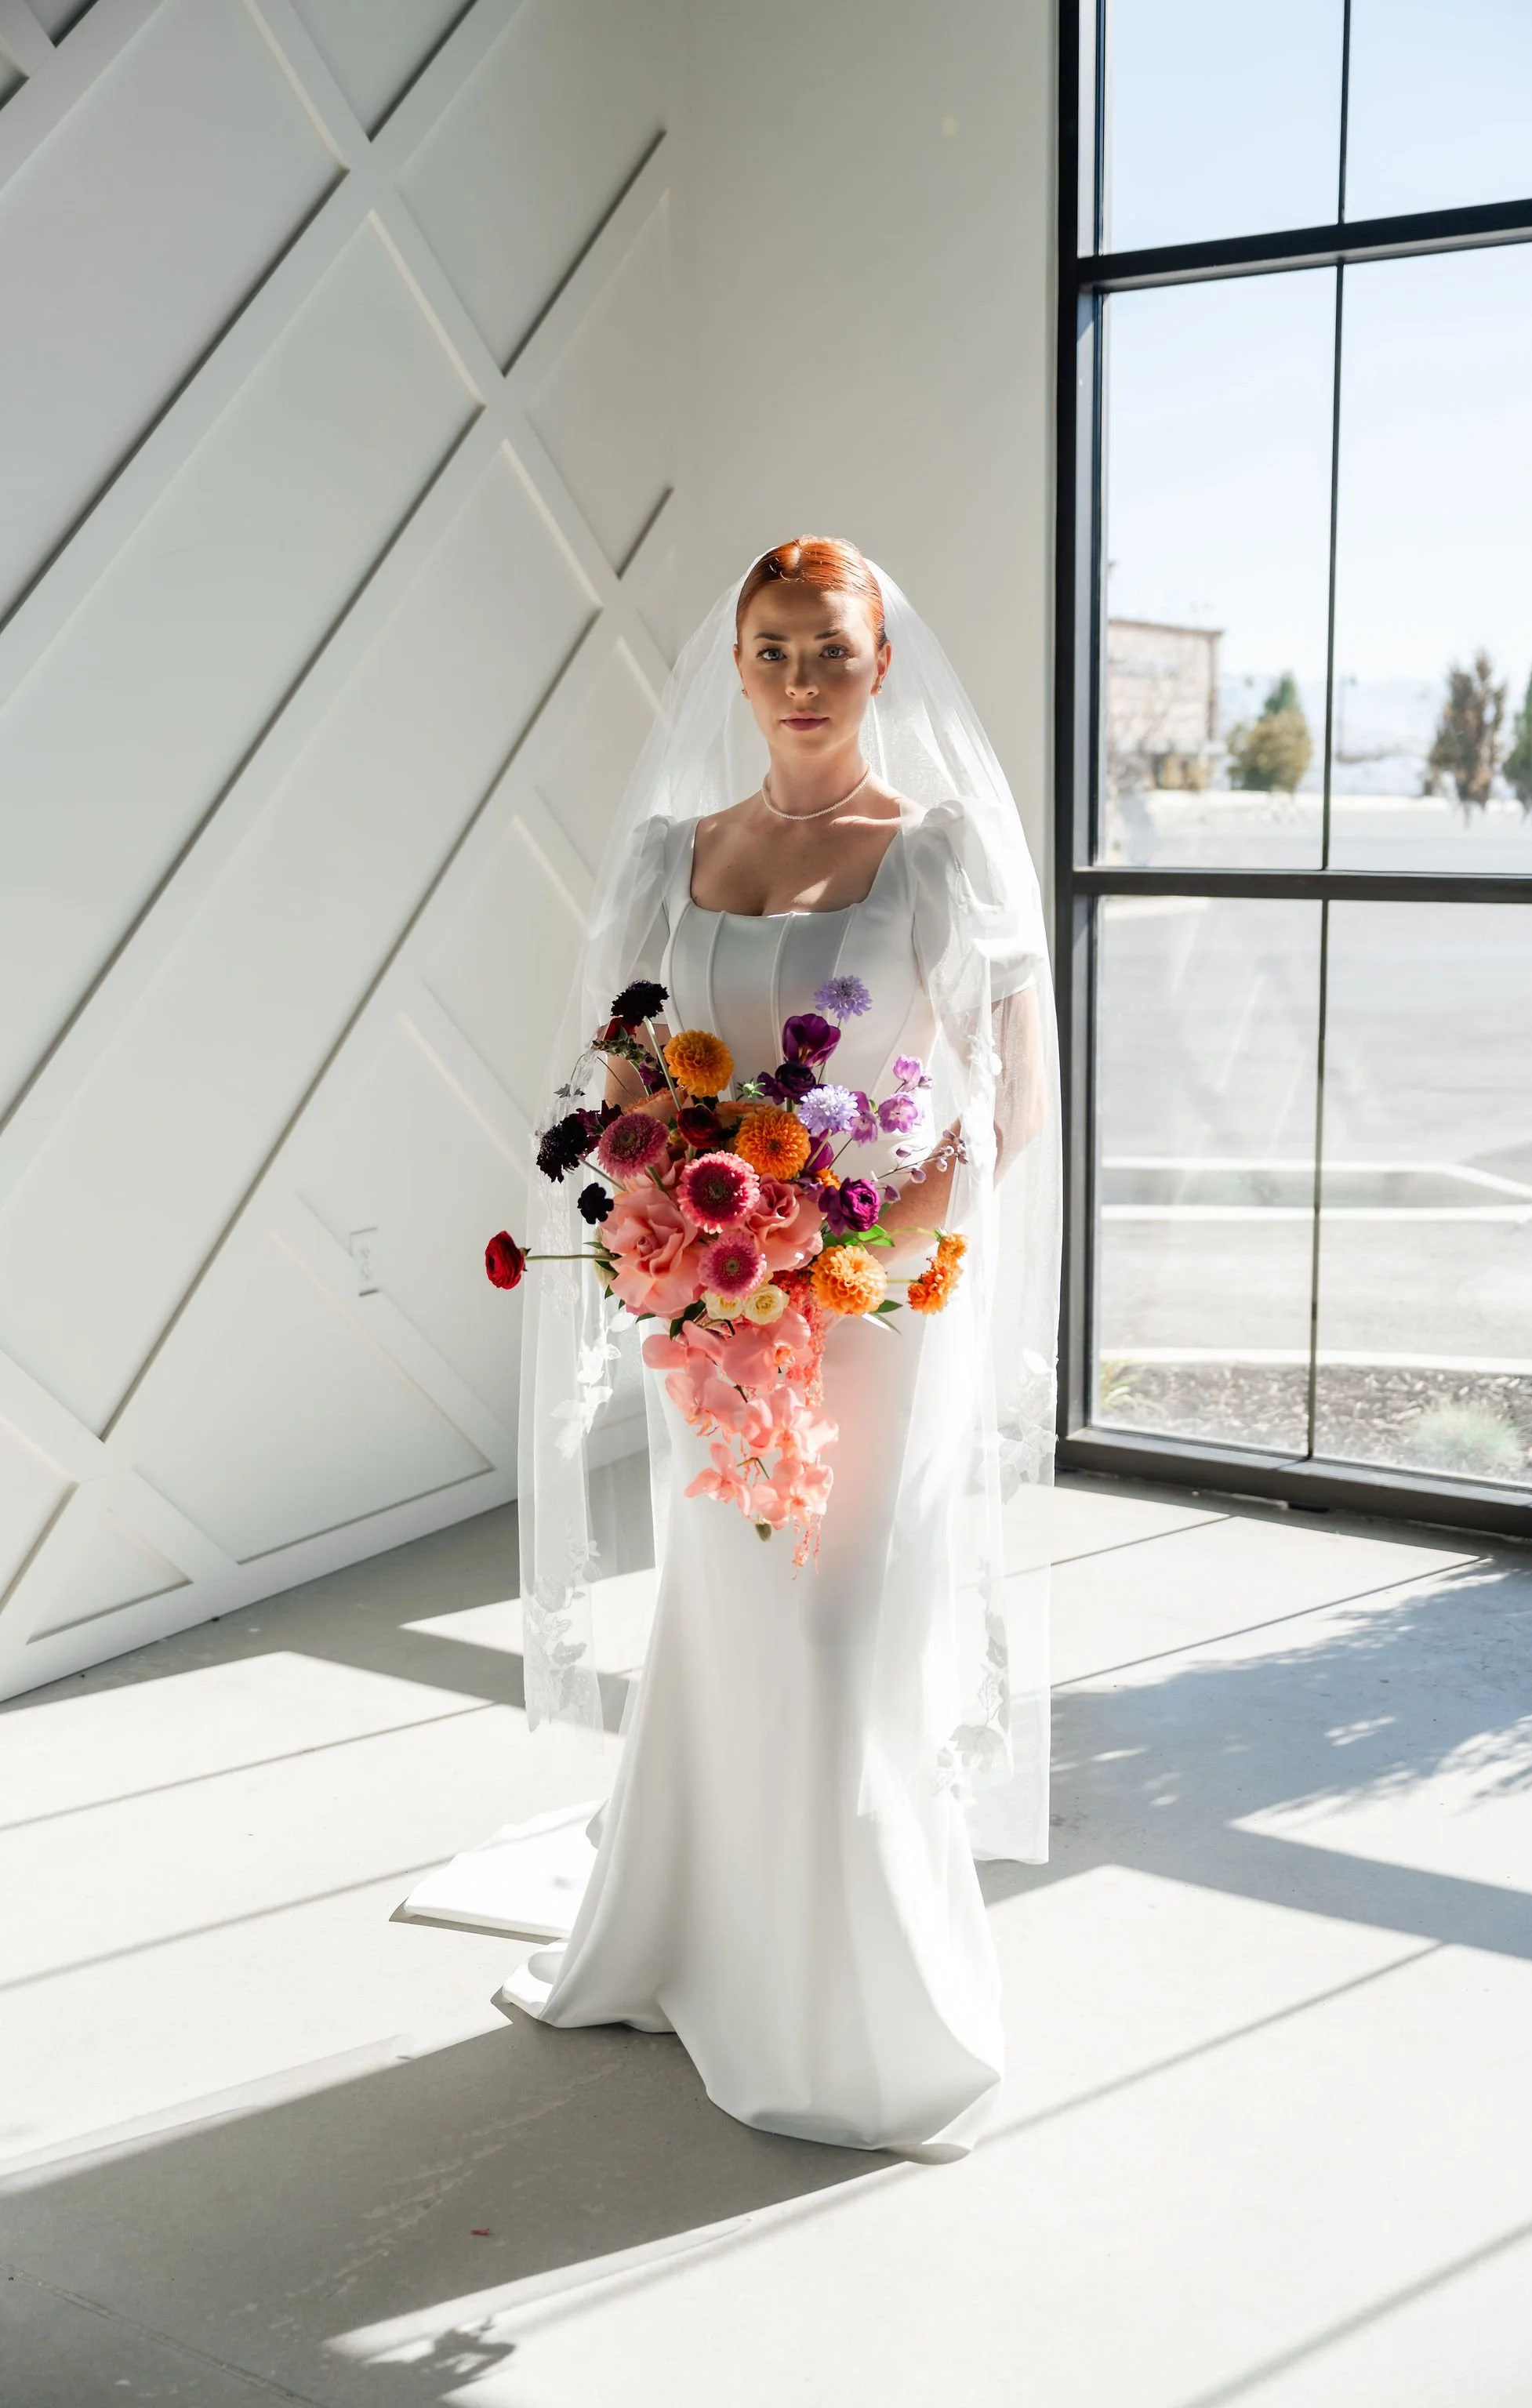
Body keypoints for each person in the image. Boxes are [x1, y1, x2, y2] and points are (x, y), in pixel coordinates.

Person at [508, 539, 1060, 2160]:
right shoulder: (675, 853)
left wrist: (889, 1237)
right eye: (770, 650)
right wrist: (652, 1212)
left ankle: (856, 2017)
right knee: (724, 1617)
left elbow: (1007, 1094)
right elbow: (621, 1064)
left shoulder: (940, 853)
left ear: (881, 664)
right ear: (737, 668)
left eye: (828, 649)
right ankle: (702, 1934)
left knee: (837, 1637)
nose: (800, 680)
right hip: (713, 1299)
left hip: (877, 1307)